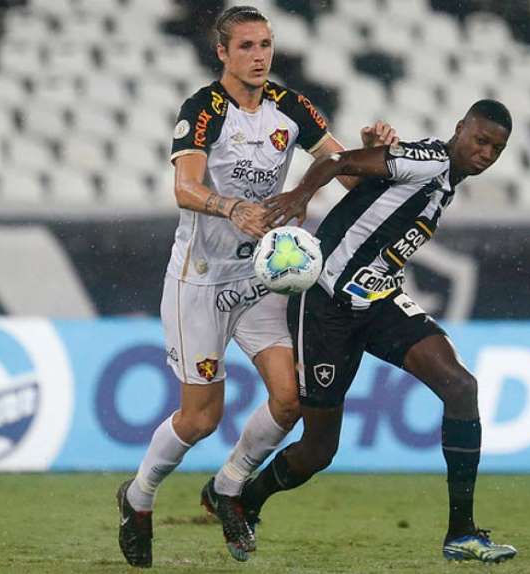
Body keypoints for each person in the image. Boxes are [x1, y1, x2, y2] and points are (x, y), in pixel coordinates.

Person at [115, 5, 397, 568]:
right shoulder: (203, 110)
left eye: (265, 44)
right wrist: (230, 206)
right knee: (201, 418)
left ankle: (228, 487)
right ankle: (139, 496)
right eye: (246, 46)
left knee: (290, 399)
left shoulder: (292, 109)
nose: (259, 55)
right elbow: (184, 187)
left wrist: (367, 151)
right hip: (197, 281)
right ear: (222, 52)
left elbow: (339, 168)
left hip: (258, 280)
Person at [239, 99, 518, 564]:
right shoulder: (427, 161)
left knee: (460, 386)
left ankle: (461, 533)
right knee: (318, 450)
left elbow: (367, 187)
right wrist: (302, 196)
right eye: (481, 139)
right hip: (326, 304)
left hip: (378, 299)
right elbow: (336, 161)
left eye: (497, 148)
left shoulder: (447, 182)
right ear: (460, 128)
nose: (487, 153)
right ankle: (246, 500)